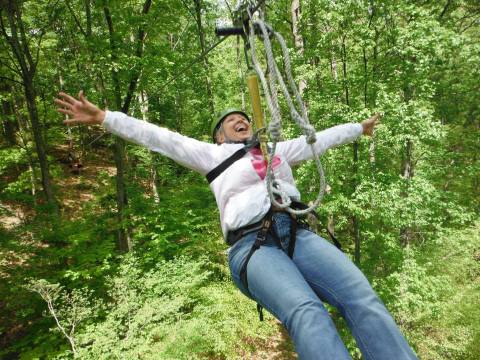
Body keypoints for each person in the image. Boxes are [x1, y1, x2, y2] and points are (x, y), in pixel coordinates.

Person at [55, 91, 418, 360]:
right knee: (308, 311)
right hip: (253, 247)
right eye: (232, 119)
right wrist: (105, 117)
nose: (240, 119)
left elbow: (317, 140)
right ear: (220, 135)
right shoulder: (212, 156)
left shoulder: (276, 149)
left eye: (243, 116)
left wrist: (359, 128)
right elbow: (158, 137)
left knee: (360, 295)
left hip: (297, 234)